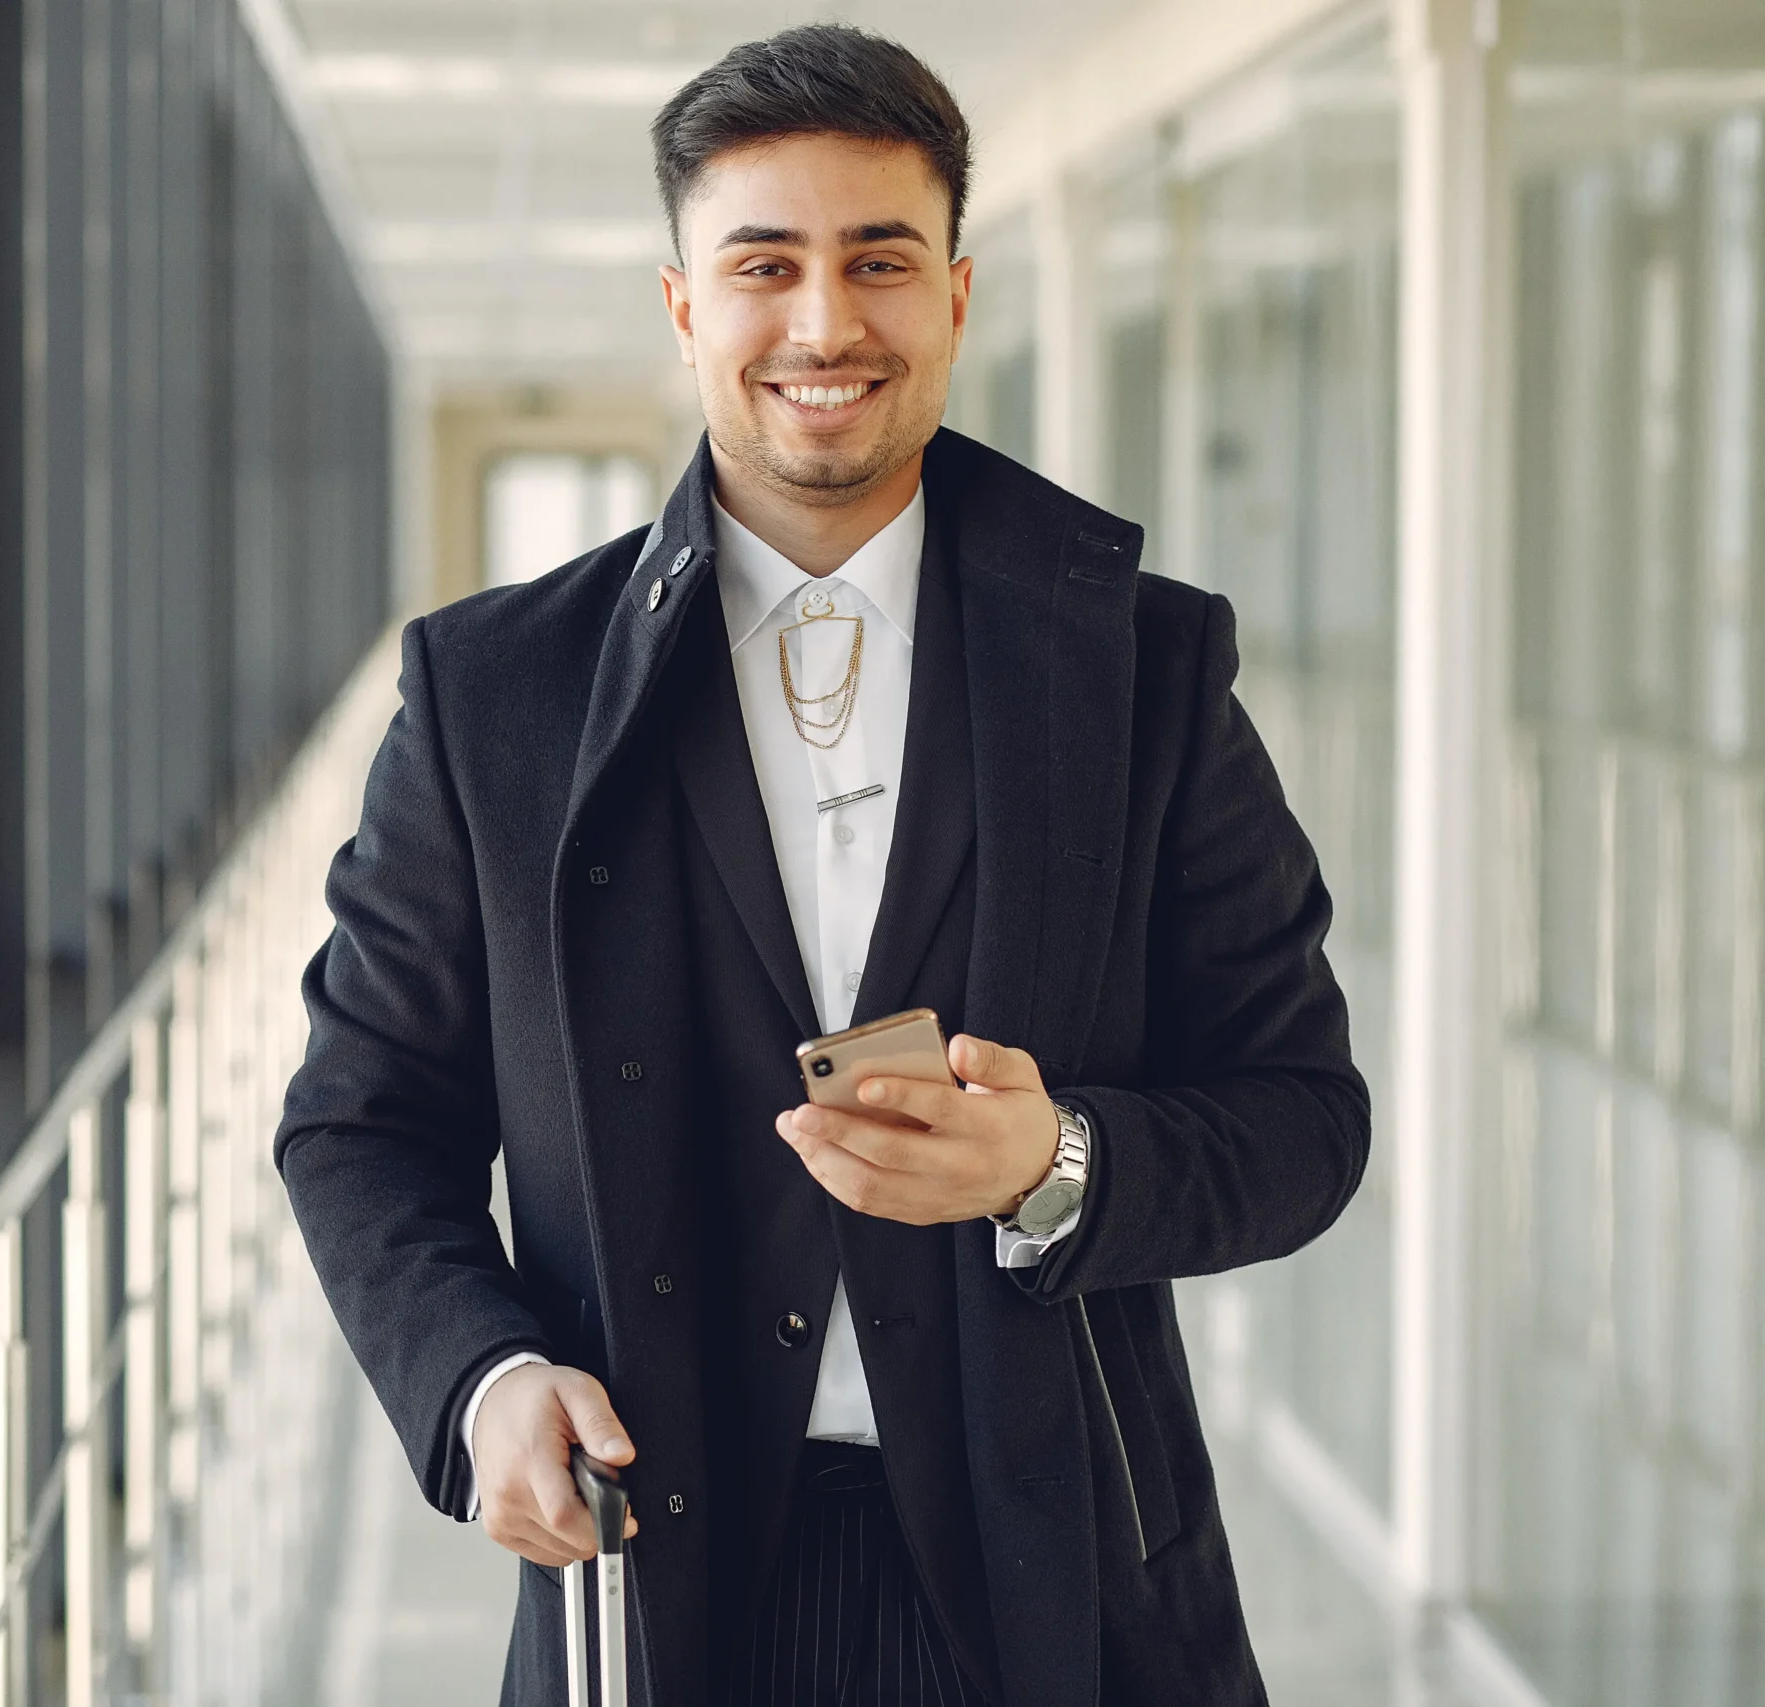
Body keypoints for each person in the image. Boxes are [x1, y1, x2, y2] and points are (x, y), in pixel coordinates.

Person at [275, 23, 1368, 1707]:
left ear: (955, 293)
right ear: (683, 306)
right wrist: (480, 1375)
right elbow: (361, 1119)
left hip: (1061, 1577)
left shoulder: (1143, 665)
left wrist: (1057, 1162)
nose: (824, 323)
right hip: (656, 1567)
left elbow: (1304, 1117)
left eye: (880, 261)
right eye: (763, 264)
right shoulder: (491, 695)